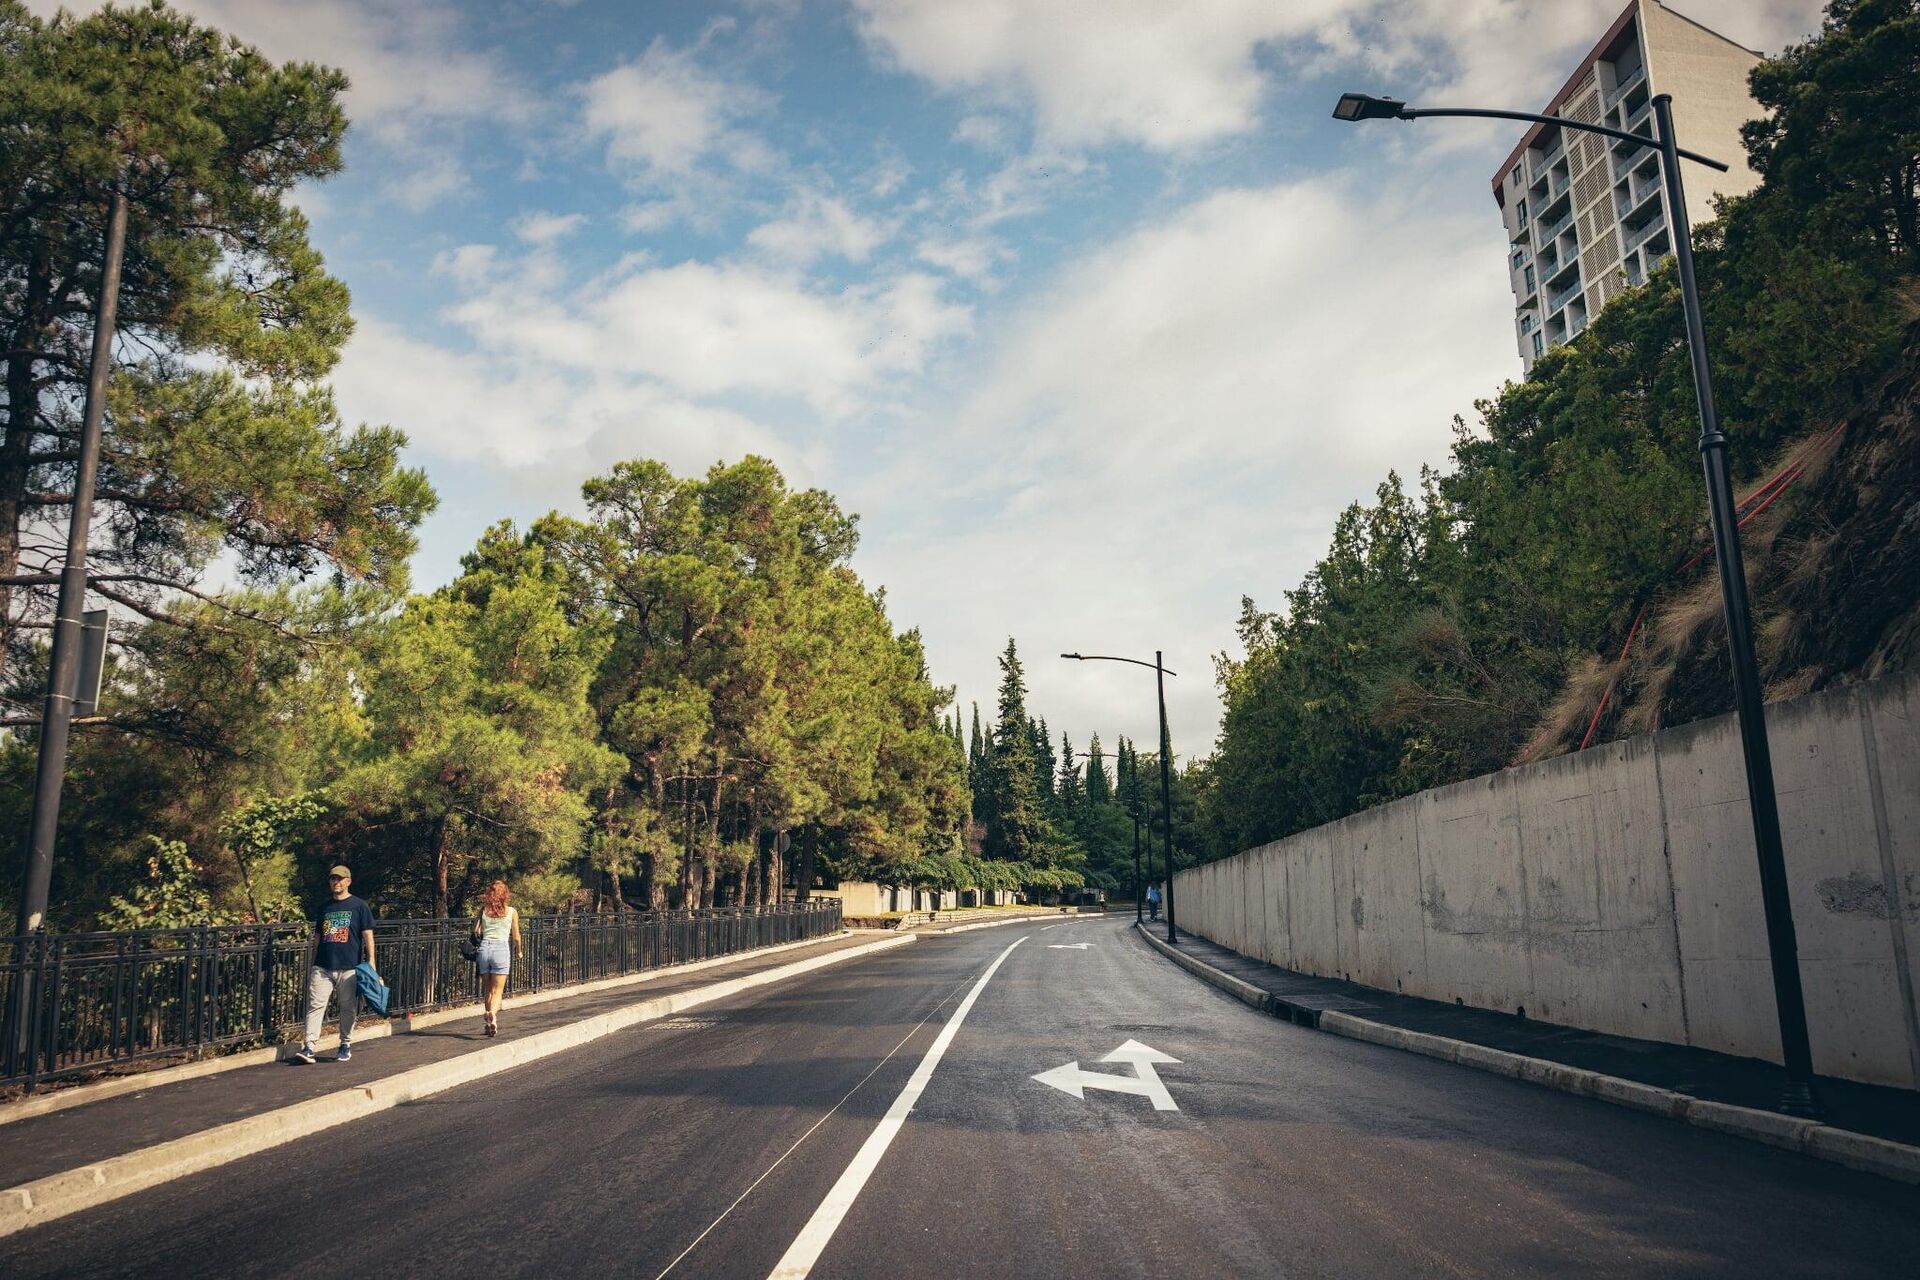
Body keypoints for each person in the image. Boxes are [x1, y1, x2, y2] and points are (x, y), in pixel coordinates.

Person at [293, 864, 376, 1064]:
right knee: (315, 1005)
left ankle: (345, 1043)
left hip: (349, 967)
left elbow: (368, 935)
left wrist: (371, 961)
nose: (336, 882)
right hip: (323, 966)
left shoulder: (359, 906)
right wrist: (313, 964)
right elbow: (318, 938)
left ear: (348, 881)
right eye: (332, 879)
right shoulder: (324, 908)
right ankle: (309, 1046)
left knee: (347, 1007)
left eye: (339, 879)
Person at [471, 879, 521, 1037]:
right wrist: (519, 951)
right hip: (501, 949)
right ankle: (492, 1014)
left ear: (489, 894)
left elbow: (476, 931)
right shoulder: (512, 911)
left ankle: (490, 1020)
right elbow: (517, 937)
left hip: (484, 949)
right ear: (505, 894)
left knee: (488, 990)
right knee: (498, 991)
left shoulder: (483, 910)